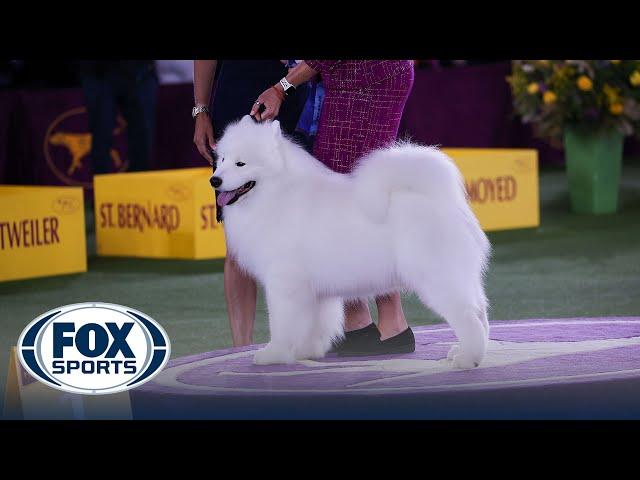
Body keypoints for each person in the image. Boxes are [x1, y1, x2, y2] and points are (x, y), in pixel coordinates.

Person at [249, 60, 416, 356]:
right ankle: (375, 323)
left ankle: (375, 323)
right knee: (357, 195)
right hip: (363, 76)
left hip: (363, 79)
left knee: (345, 198)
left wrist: (281, 87)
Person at [192, 60, 309, 347]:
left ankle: (301, 339)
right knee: (238, 240)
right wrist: (201, 110)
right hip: (238, 95)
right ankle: (240, 347)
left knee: (302, 234)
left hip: (299, 92)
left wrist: (285, 85)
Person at [78, 61, 158, 174]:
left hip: (139, 72)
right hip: (99, 74)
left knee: (143, 140)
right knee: (101, 138)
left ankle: (140, 187)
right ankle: (103, 189)